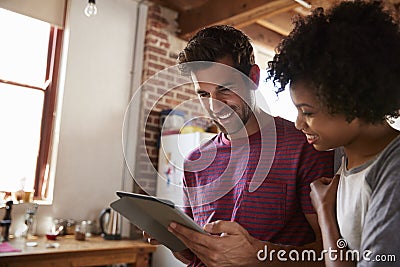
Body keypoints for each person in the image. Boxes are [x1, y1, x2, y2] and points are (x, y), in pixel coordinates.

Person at [165, 25, 334, 267]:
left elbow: (332, 253)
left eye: (225, 90)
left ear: (253, 78)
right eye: (203, 94)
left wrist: (259, 257)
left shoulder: (304, 145)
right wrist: (177, 239)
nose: (215, 107)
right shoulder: (194, 160)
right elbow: (194, 255)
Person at [267, 1, 400, 266]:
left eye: (308, 112)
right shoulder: (345, 160)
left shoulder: (393, 172)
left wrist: (325, 213)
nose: (298, 124)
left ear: (353, 103)